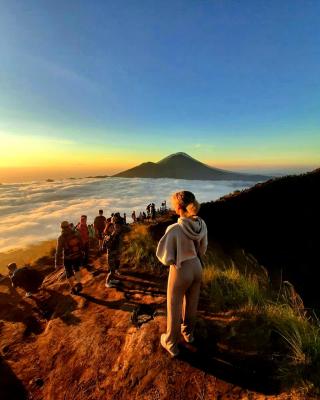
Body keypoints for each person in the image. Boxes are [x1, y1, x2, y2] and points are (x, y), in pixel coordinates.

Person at [156, 191, 207, 357]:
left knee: (174, 304)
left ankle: (171, 342)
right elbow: (203, 248)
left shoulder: (175, 229)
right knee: (192, 302)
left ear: (178, 207)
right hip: (197, 266)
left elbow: (164, 256)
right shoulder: (201, 224)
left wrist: (174, 261)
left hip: (181, 268)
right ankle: (189, 334)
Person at [55, 221, 84, 294]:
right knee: (76, 269)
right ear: (68, 226)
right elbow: (81, 243)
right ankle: (79, 283)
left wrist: (57, 262)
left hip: (67, 258)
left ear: (61, 228)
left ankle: (73, 289)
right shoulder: (76, 233)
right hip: (77, 255)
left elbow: (58, 251)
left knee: (69, 273)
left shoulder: (61, 238)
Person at [105, 216, 123, 288]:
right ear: (108, 228)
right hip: (110, 255)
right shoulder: (107, 236)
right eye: (111, 227)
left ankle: (112, 280)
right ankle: (107, 282)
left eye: (113, 227)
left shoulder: (114, 235)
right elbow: (108, 242)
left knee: (114, 268)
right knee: (112, 270)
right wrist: (113, 234)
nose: (113, 229)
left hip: (114, 254)